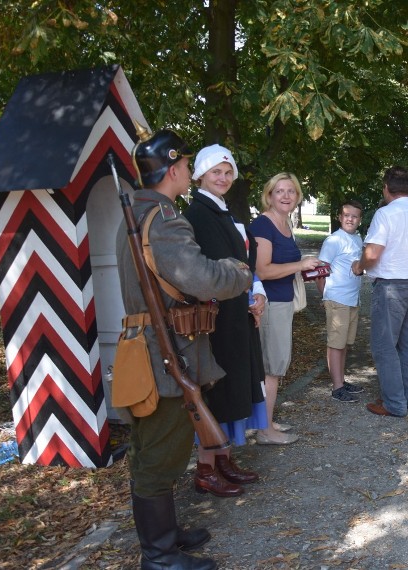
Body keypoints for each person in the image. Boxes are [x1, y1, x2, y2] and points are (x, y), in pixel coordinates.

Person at [116, 128, 254, 569]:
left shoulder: (140, 213)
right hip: (166, 352)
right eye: (184, 167)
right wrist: (238, 271)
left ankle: (167, 535)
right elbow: (201, 278)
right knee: (159, 456)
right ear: (175, 170)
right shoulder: (166, 219)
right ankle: (157, 556)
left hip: (150, 348)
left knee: (154, 450)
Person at [184, 144, 266, 497]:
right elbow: (208, 270)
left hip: (234, 312)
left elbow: (242, 262)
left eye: (228, 171)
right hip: (217, 317)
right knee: (216, 392)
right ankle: (206, 467)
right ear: (200, 175)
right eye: (216, 171)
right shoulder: (200, 214)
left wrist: (253, 293)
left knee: (232, 387)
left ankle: (223, 458)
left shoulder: (220, 211)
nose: (223, 177)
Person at [352, 166, 408, 417]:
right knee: (407, 344)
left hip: (390, 288)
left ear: (386, 187)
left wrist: (359, 266)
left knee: (384, 346)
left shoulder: (385, 214)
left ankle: (394, 403)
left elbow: (373, 254)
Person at [249, 173, 321, 444]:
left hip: (282, 301)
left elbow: (285, 264)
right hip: (270, 304)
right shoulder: (263, 225)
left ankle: (266, 421)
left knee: (273, 366)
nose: (286, 196)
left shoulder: (285, 223)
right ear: (269, 195)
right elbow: (262, 270)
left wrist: (309, 265)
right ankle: (265, 431)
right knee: (272, 367)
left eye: (291, 191)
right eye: (280, 191)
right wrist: (299, 266)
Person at [316, 200, 366, 402]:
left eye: (354, 216)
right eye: (346, 215)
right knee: (336, 343)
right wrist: (325, 296)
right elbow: (320, 271)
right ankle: (337, 388)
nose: (350, 219)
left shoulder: (357, 238)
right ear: (339, 217)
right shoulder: (334, 240)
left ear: (360, 220)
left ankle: (341, 380)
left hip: (352, 298)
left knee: (344, 343)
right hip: (337, 298)